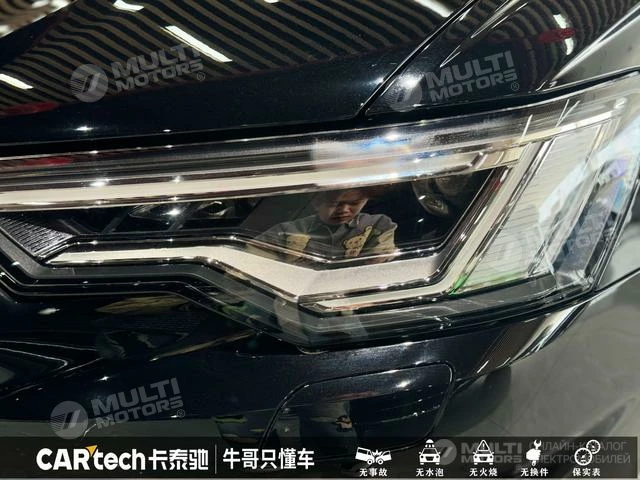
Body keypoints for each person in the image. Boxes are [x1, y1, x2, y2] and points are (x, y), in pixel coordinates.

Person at [254, 188, 397, 263]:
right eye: (334, 203)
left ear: (365, 201)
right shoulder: (284, 232)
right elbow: (253, 264)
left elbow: (377, 261)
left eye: (354, 203)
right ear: (315, 201)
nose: (344, 210)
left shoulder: (378, 226)